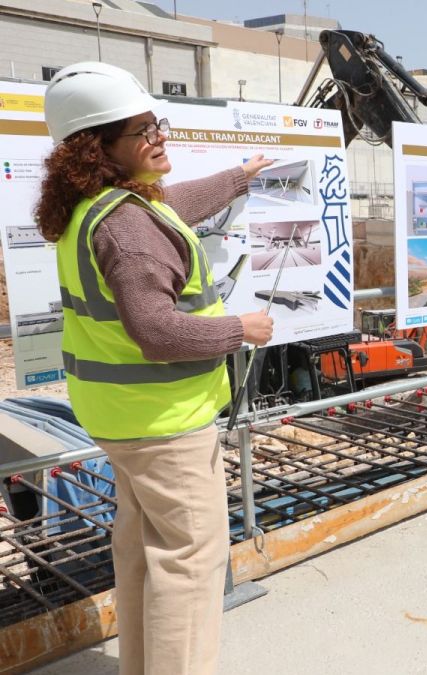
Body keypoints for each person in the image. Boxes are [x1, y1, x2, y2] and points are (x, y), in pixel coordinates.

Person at [34, 62, 274, 675]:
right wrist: (238, 330)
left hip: (122, 418)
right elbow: (157, 331)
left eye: (155, 122)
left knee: (144, 554)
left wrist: (236, 179)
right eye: (143, 129)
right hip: (165, 423)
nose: (159, 135)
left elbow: (173, 208)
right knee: (191, 564)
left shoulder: (99, 207)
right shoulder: (127, 224)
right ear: (99, 149)